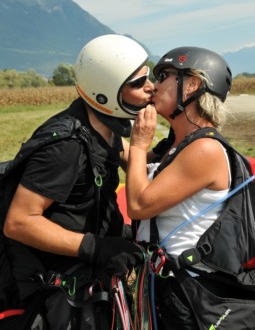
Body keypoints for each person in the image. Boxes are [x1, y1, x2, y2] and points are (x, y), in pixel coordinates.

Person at [3, 34, 154, 329]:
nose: (151, 87)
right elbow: (19, 222)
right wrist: (95, 247)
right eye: (138, 83)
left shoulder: (104, 126)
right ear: (106, 93)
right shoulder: (66, 146)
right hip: (59, 294)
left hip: (92, 275)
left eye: (149, 76)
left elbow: (135, 165)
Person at [126, 46, 233, 329]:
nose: (155, 85)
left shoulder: (205, 150)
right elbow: (131, 163)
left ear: (192, 85)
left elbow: (138, 204)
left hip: (189, 293)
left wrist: (138, 144)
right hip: (166, 284)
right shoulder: (175, 146)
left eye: (165, 76)